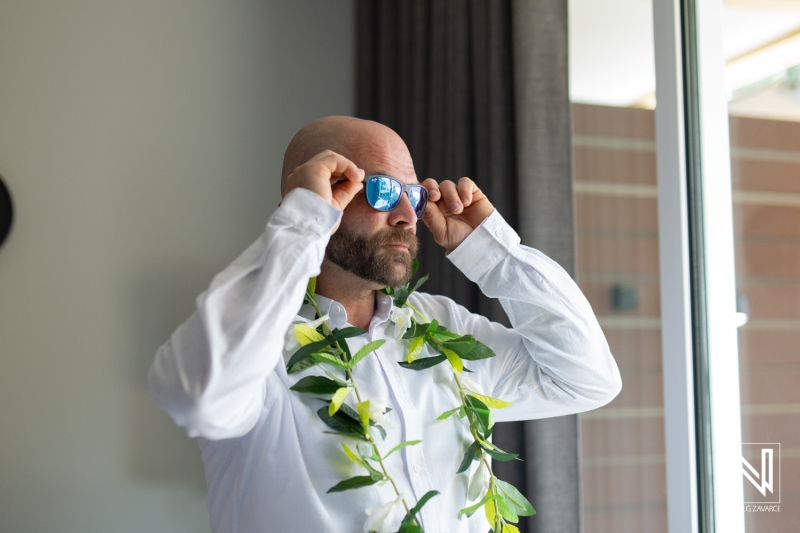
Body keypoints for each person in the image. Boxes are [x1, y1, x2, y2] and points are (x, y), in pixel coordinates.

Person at [148, 116, 622, 533]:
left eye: (413, 196)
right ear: (319, 196)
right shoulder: (262, 347)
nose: (406, 217)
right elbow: (197, 395)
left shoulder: (442, 328)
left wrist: (494, 254)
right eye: (381, 191)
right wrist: (302, 223)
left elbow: (586, 379)